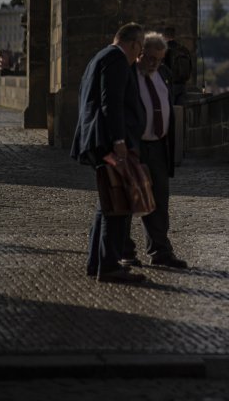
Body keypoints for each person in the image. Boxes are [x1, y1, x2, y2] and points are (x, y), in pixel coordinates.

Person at [71, 22, 147, 284]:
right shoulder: (116, 59)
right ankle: (109, 265)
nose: (140, 55)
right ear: (135, 44)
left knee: (107, 202)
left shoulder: (99, 57)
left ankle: (98, 262)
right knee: (117, 204)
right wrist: (119, 140)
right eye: (141, 48)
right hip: (108, 141)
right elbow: (110, 102)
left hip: (97, 139)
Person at [121, 32, 188, 269]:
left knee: (159, 200)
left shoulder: (164, 75)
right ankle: (125, 251)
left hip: (159, 147)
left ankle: (160, 250)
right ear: (140, 53)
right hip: (136, 147)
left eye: (158, 59)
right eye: (149, 58)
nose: (153, 64)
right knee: (129, 200)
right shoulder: (128, 75)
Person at [162, 27, 193, 105]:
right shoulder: (183, 49)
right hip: (182, 85)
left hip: (171, 86)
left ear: (164, 36)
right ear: (174, 35)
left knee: (171, 112)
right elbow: (190, 67)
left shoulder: (165, 49)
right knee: (180, 112)